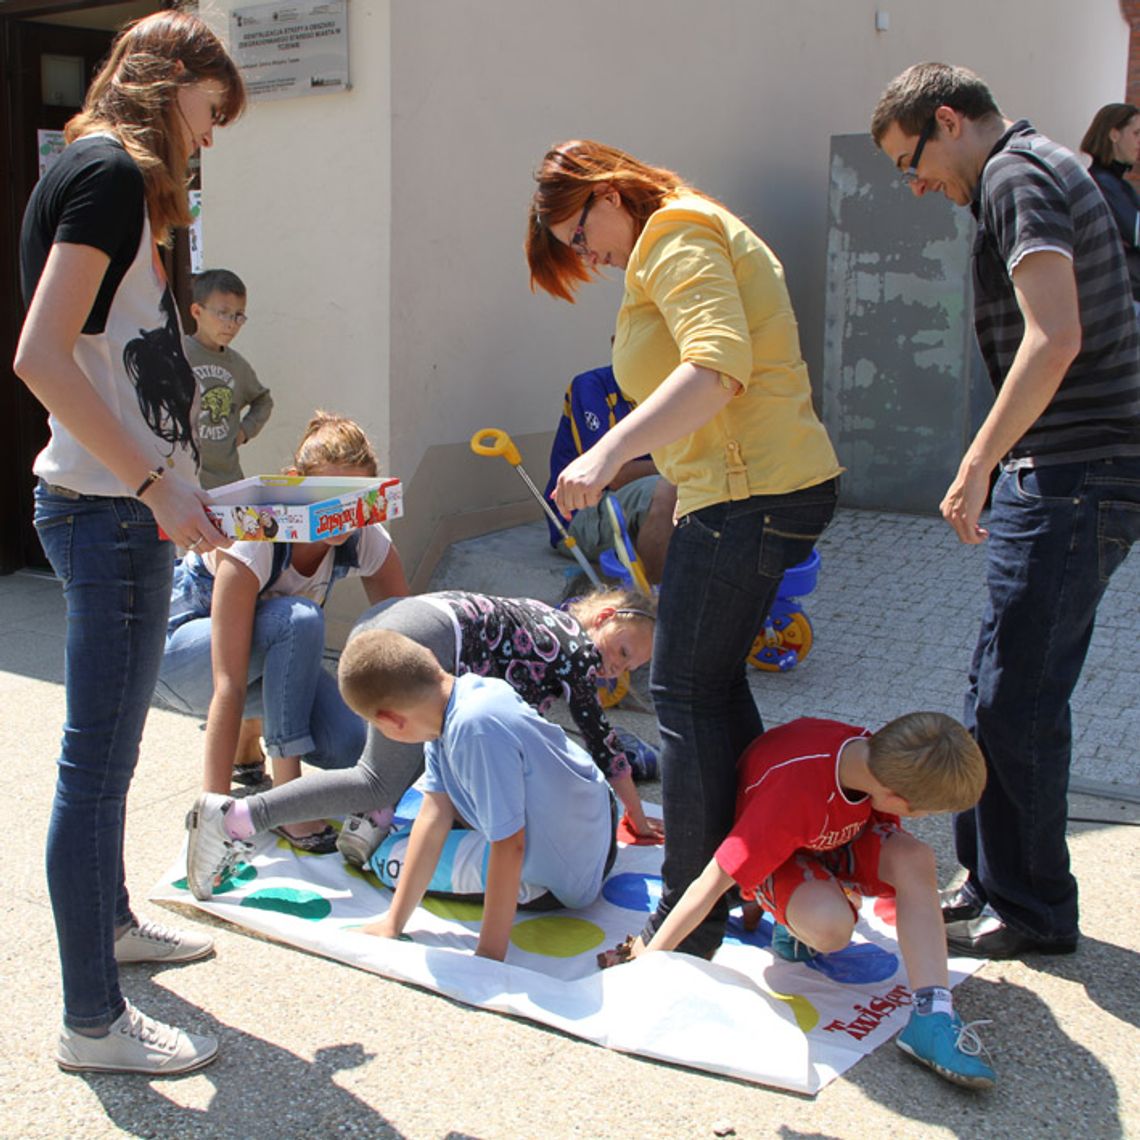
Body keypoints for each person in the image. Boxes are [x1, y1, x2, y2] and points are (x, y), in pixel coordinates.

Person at [526, 140, 842, 960]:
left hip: (752, 495)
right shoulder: (672, 240)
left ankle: (686, 920)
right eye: (569, 248)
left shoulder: (673, 234)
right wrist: (645, 465)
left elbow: (716, 367)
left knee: (685, 695)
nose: (585, 255)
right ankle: (762, 863)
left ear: (608, 192)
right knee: (709, 689)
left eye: (577, 232)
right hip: (740, 489)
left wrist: (604, 453)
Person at [12, 11, 244, 1076]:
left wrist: (183, 483)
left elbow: (112, 359)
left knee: (106, 757)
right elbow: (41, 355)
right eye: (211, 113)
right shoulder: (106, 173)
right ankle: (91, 1023)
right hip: (107, 511)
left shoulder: (103, 174)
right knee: (95, 769)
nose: (212, 138)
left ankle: (108, 930)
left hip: (123, 505)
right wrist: (157, 484)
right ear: (173, 84)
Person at [870, 64, 1140, 959]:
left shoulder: (1015, 175)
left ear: (948, 120)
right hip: (1069, 467)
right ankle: (995, 883)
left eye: (913, 162)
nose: (917, 186)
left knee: (1018, 699)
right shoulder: (1035, 167)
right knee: (999, 688)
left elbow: (1055, 334)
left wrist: (979, 460)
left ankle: (1030, 909)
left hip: (1075, 468)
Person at [183, 586, 659, 899]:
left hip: (401, 618)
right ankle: (237, 819)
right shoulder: (576, 652)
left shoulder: (553, 622)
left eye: (631, 667)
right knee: (376, 778)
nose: (618, 669)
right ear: (604, 616)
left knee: (426, 744)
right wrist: (637, 819)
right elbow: (604, 745)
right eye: (622, 651)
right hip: (425, 637)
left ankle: (375, 819)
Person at [611, 714, 995, 1088]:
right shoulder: (794, 794)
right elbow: (708, 884)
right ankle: (792, 920)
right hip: (782, 851)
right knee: (831, 928)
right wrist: (648, 961)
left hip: (831, 835)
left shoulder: (877, 756)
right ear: (896, 797)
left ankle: (932, 1014)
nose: (925, 816)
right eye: (926, 811)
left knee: (916, 858)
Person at [156, 412, 409, 852]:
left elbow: (408, 639)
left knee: (351, 743)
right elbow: (227, 685)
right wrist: (211, 817)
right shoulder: (256, 536)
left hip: (264, 657)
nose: (341, 513)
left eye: (354, 497)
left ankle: (249, 742)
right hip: (182, 661)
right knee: (298, 618)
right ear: (292, 483)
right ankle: (285, 805)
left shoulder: (362, 534)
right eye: (327, 495)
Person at [348, 631, 617, 960]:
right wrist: (394, 923)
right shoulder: (459, 696)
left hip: (568, 876)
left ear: (391, 721)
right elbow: (435, 813)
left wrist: (489, 955)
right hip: (596, 820)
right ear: (430, 660)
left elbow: (509, 845)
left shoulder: (472, 730)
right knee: (429, 804)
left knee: (389, 857)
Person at [543, 364, 676, 583]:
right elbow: (614, 475)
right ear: (617, 343)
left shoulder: (670, 388)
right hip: (579, 514)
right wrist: (683, 468)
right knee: (669, 489)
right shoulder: (592, 386)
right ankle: (652, 603)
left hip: (634, 505)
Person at [184, 267, 274, 490]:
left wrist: (244, 432)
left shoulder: (237, 366)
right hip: (188, 484)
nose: (231, 324)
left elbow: (263, 400)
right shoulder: (178, 355)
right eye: (222, 313)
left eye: (238, 315)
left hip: (228, 482)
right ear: (197, 311)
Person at [1080, 104, 1140, 312]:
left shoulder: (1119, 185)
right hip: (1122, 303)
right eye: (1136, 133)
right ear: (1114, 134)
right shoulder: (1100, 183)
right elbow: (1136, 233)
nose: (1139, 142)